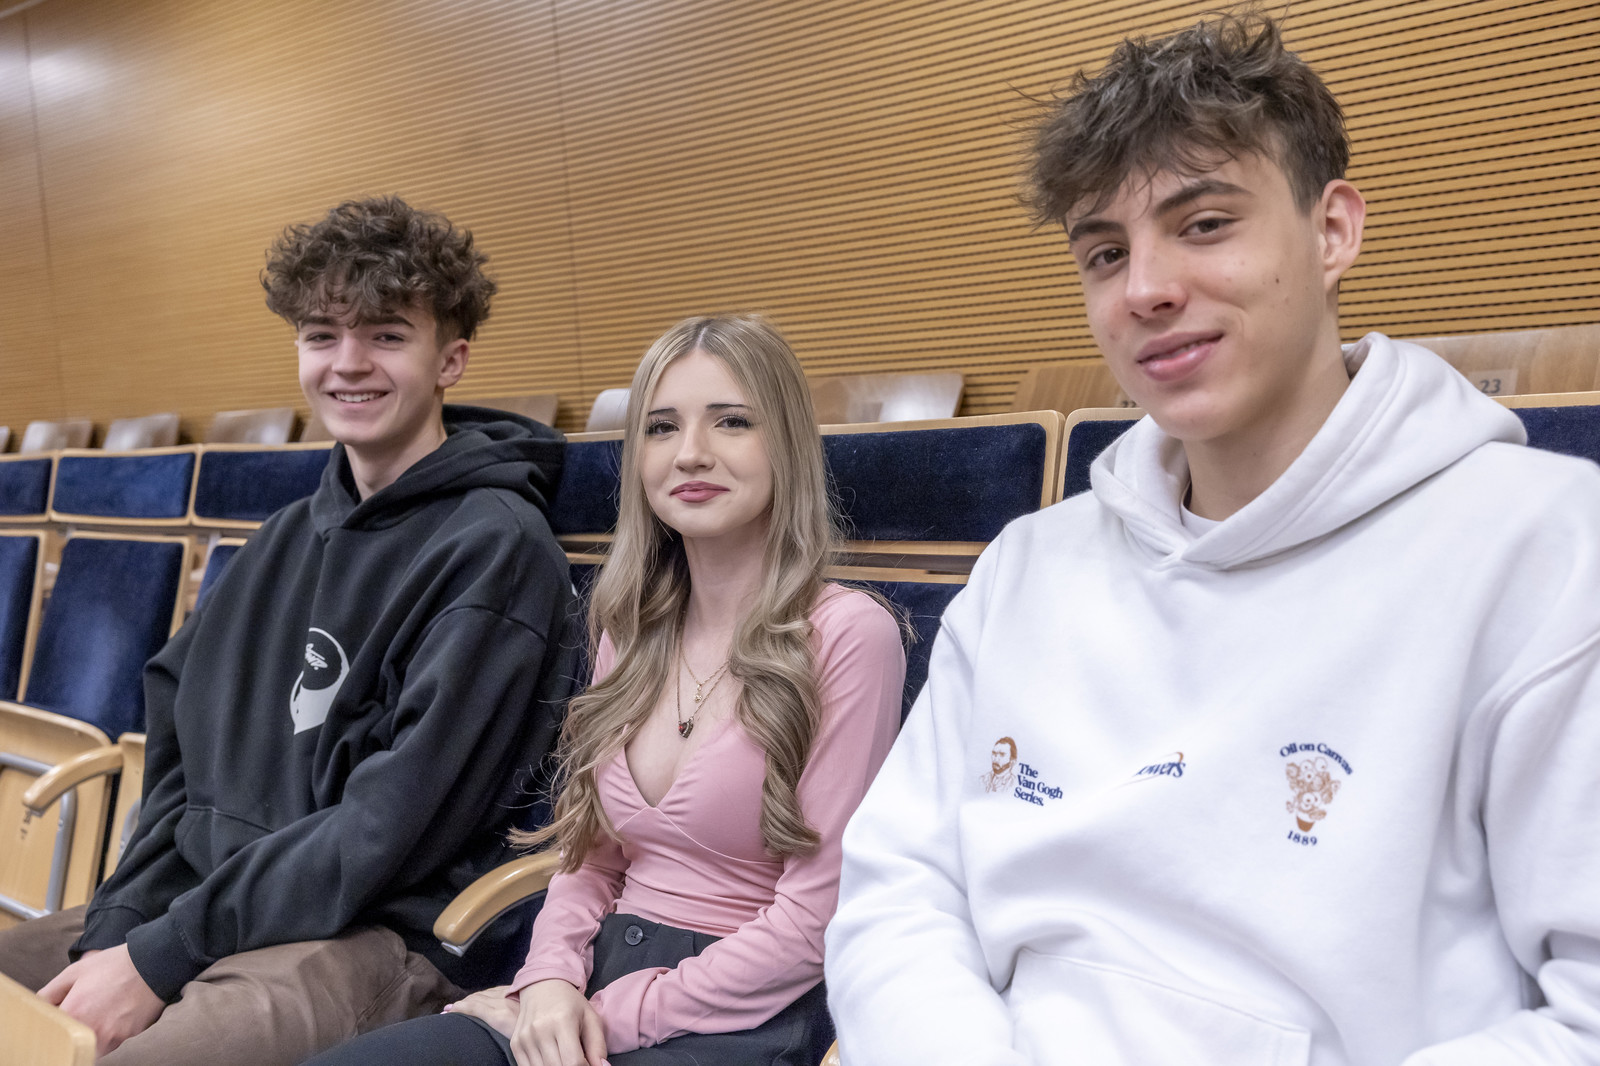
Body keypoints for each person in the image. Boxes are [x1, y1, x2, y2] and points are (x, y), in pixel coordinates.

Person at [825, 13, 1600, 1065]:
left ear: (1332, 231)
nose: (1143, 288)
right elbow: (898, 890)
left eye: (1202, 224)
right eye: (1106, 252)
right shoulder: (1028, 565)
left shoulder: (1547, 551)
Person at [0, 196, 581, 1066]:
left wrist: (161, 956)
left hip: (377, 934)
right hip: (210, 904)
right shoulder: (278, 538)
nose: (348, 363)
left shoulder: (497, 549)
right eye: (321, 335)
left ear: (450, 359)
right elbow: (181, 767)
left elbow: (386, 831)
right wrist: (122, 928)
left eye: (386, 334)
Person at [306, 313, 906, 1066]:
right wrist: (549, 982)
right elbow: (588, 859)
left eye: (732, 421)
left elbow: (815, 918)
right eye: (661, 427)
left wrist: (605, 1017)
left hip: (737, 1013)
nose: (690, 452)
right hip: (590, 983)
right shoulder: (630, 627)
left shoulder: (850, 634)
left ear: (784, 442)